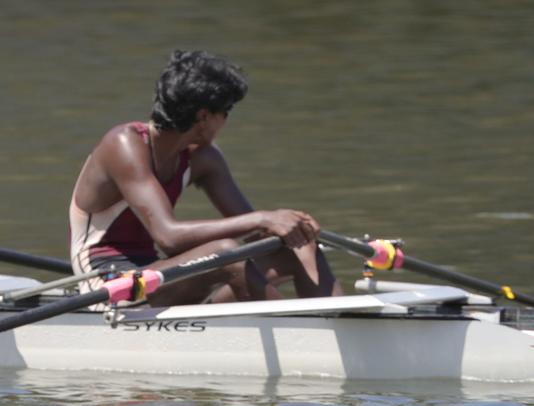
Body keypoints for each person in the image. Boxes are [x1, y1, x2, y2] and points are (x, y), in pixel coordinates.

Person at [69, 50, 341, 304]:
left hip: (157, 276)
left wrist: (292, 227)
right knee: (225, 252)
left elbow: (258, 236)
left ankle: (340, 325)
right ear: (204, 116)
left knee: (296, 245)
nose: (226, 122)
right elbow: (168, 236)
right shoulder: (124, 144)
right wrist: (265, 217)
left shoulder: (203, 158)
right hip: (107, 284)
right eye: (226, 112)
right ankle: (300, 336)